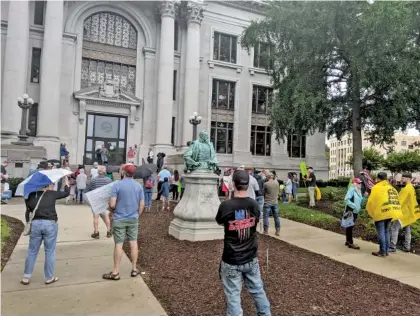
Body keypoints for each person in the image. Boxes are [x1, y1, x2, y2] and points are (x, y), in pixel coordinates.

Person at [215, 170, 271, 316]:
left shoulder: (226, 206)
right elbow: (255, 222)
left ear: (233, 184)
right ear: (248, 185)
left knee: (233, 296)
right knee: (258, 290)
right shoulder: (254, 205)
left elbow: (220, 222)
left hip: (232, 259)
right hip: (251, 257)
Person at [20, 178, 70, 285]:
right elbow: (66, 193)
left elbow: (27, 212)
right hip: (50, 223)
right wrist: (66, 183)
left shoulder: (30, 196)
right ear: (47, 185)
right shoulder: (51, 194)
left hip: (35, 224)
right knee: (50, 251)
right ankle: (48, 277)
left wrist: (28, 223)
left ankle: (26, 277)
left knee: (32, 251)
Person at [103, 164, 144, 281]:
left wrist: (111, 209)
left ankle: (116, 271)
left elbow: (112, 204)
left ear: (123, 172)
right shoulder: (138, 186)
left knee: (119, 244)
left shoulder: (117, 185)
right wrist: (137, 215)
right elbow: (141, 205)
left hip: (119, 219)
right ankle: (134, 269)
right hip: (133, 219)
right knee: (133, 243)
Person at [366, 172, 402, 257]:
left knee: (381, 232)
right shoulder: (392, 188)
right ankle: (386, 251)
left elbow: (371, 201)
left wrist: (370, 210)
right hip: (390, 212)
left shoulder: (376, 188)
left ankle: (382, 252)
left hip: (381, 213)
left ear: (378, 179)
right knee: (386, 231)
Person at [389, 173, 417, 253]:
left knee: (394, 228)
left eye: (403, 178)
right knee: (407, 230)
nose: (401, 179)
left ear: (407, 179)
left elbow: (400, 201)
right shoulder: (411, 188)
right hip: (409, 213)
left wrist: (394, 210)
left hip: (402, 213)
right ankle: (407, 246)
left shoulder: (405, 189)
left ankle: (392, 246)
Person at [84, 166, 112, 239]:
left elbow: (87, 190)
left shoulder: (93, 180)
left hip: (95, 202)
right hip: (104, 201)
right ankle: (109, 231)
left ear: (98, 171)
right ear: (105, 172)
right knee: (106, 216)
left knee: (95, 217)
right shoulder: (108, 180)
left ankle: (96, 232)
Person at [344, 178, 364, 250]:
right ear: (354, 184)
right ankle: (350, 242)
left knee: (350, 226)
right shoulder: (352, 189)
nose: (360, 184)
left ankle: (348, 241)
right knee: (350, 226)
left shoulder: (358, 191)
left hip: (355, 211)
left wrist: (365, 197)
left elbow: (360, 201)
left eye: (360, 183)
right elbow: (346, 199)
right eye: (358, 183)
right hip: (350, 211)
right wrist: (354, 206)